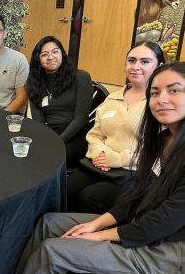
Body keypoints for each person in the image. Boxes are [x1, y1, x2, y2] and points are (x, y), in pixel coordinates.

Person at [16, 62, 185, 274]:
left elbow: (165, 222)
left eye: (174, 90)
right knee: (48, 223)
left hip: (164, 250)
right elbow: (137, 194)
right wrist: (97, 224)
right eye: (155, 92)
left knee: (52, 251)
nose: (161, 100)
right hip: (138, 222)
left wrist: (102, 235)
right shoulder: (161, 139)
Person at [68, 42, 165, 213]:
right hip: (101, 164)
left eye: (145, 61)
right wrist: (102, 154)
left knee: (90, 197)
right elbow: (94, 135)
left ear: (160, 66)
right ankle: (58, 231)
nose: (136, 67)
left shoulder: (161, 103)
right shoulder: (112, 98)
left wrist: (118, 159)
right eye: (131, 60)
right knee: (67, 188)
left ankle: (90, 236)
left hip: (136, 170)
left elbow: (159, 148)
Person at [27, 36, 93, 167]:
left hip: (77, 134)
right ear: (38, 60)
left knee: (49, 158)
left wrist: (58, 141)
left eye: (55, 52)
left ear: (62, 54)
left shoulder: (81, 77)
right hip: (51, 133)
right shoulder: (34, 84)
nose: (50, 57)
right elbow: (39, 122)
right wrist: (45, 140)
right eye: (44, 54)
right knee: (24, 153)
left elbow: (80, 119)